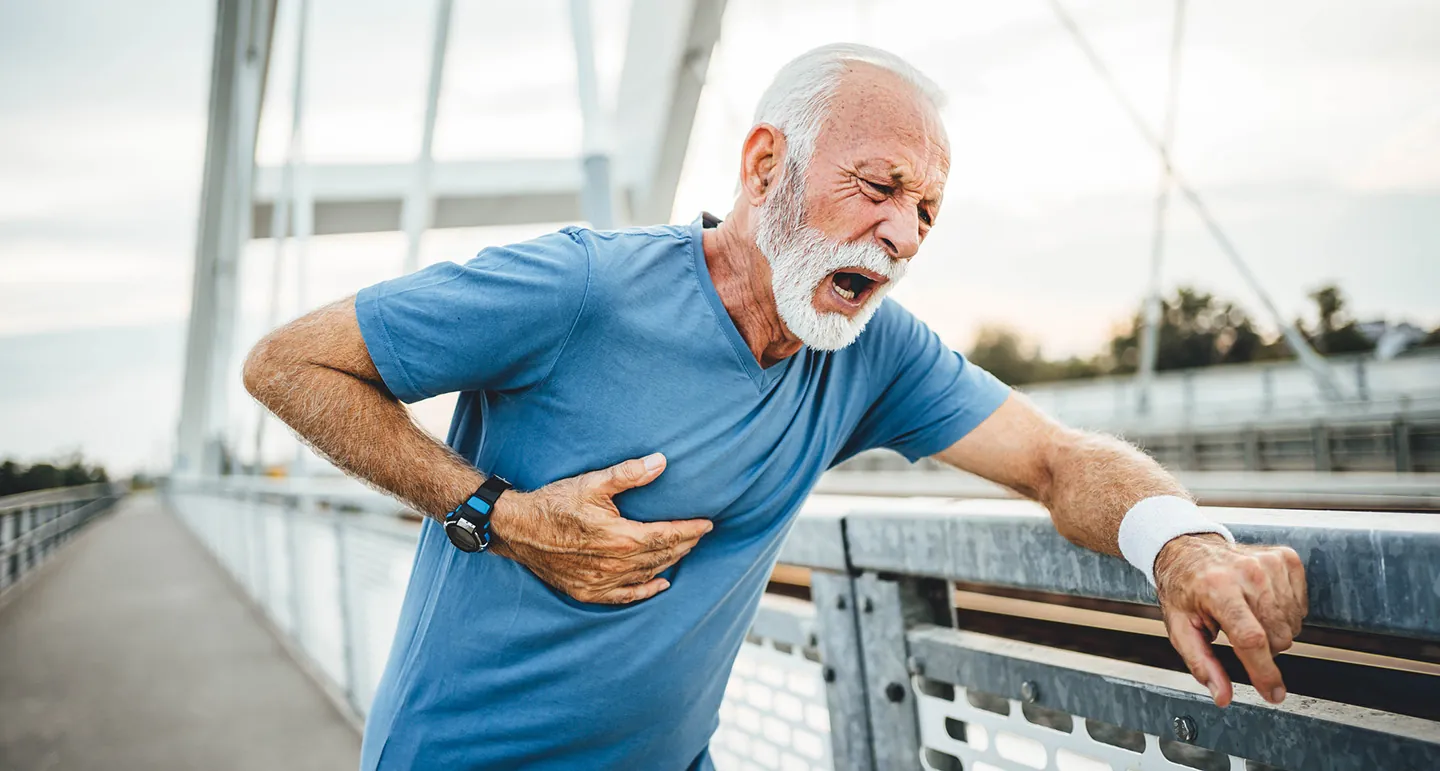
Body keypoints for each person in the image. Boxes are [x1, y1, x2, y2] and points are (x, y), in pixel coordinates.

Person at [243, 43, 1308, 771]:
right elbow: (290, 365)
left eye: (927, 209)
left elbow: (1056, 460)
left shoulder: (868, 352)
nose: (903, 235)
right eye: (878, 186)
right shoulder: (582, 288)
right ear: (766, 166)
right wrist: (501, 518)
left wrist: (1184, 547)